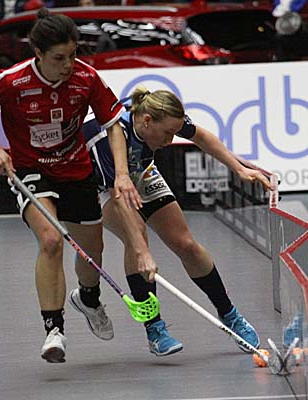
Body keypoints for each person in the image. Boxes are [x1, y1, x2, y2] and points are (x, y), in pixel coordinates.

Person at [0, 8, 149, 363]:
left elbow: (112, 124)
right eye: (59, 58)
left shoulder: (86, 78)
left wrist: (122, 174)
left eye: (73, 55)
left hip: (76, 169)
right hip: (31, 170)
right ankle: (54, 330)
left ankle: (88, 298)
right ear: (39, 54)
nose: (68, 65)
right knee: (51, 240)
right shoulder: (13, 80)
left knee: (92, 251)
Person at [82, 87, 272, 356]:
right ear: (147, 121)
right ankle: (154, 329)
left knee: (186, 244)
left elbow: (201, 136)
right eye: (167, 133)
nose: (171, 140)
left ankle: (229, 314)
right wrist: (142, 252)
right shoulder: (107, 135)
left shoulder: (159, 113)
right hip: (101, 186)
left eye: (174, 132)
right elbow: (119, 195)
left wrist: (240, 169)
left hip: (141, 171)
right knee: (136, 236)